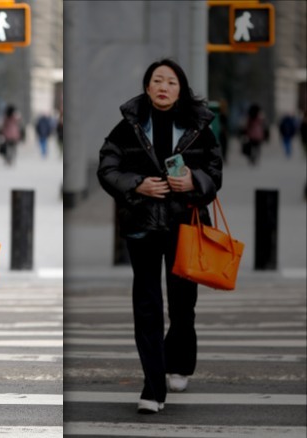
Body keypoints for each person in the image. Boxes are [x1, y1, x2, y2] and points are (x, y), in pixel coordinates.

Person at [97, 59, 222, 414]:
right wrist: (138, 185)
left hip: (186, 225)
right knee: (148, 304)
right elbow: (107, 168)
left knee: (183, 304)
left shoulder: (199, 127)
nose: (163, 87)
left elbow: (215, 171)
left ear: (180, 89)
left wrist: (195, 181)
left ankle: (179, 362)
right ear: (147, 87)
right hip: (143, 225)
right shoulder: (129, 127)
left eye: (170, 81)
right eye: (157, 81)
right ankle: (153, 387)